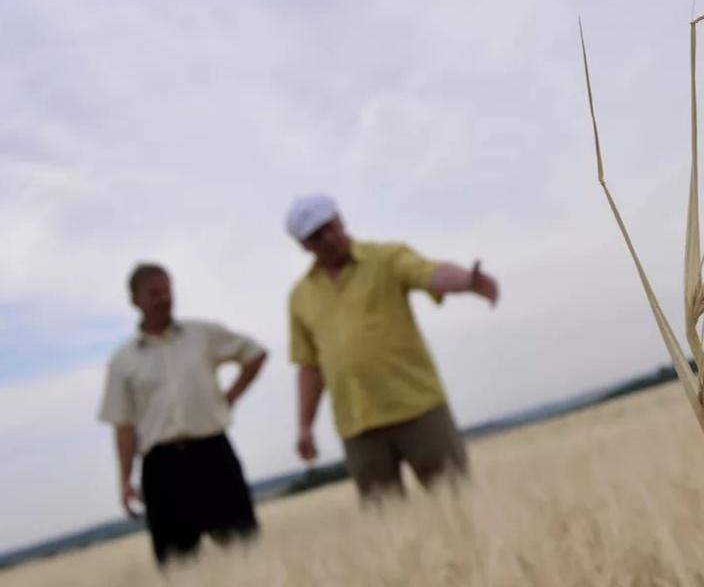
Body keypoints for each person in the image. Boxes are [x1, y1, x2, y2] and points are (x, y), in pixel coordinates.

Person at [285, 193, 498, 500]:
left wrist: (467, 280)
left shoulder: (386, 258)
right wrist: (305, 425)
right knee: (385, 525)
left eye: (331, 226)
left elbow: (429, 272)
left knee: (459, 502)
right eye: (317, 236)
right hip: (357, 424)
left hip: (418, 409)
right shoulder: (300, 297)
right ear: (304, 245)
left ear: (341, 219)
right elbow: (309, 365)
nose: (329, 238)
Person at [98, 263, 267, 566]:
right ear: (135, 300)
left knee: (247, 549)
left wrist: (230, 397)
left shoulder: (202, 334)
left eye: (167, 290)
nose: (164, 298)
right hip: (161, 468)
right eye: (154, 292)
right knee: (177, 563)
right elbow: (123, 425)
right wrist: (125, 480)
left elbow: (254, 354)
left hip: (213, 453)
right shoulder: (122, 361)